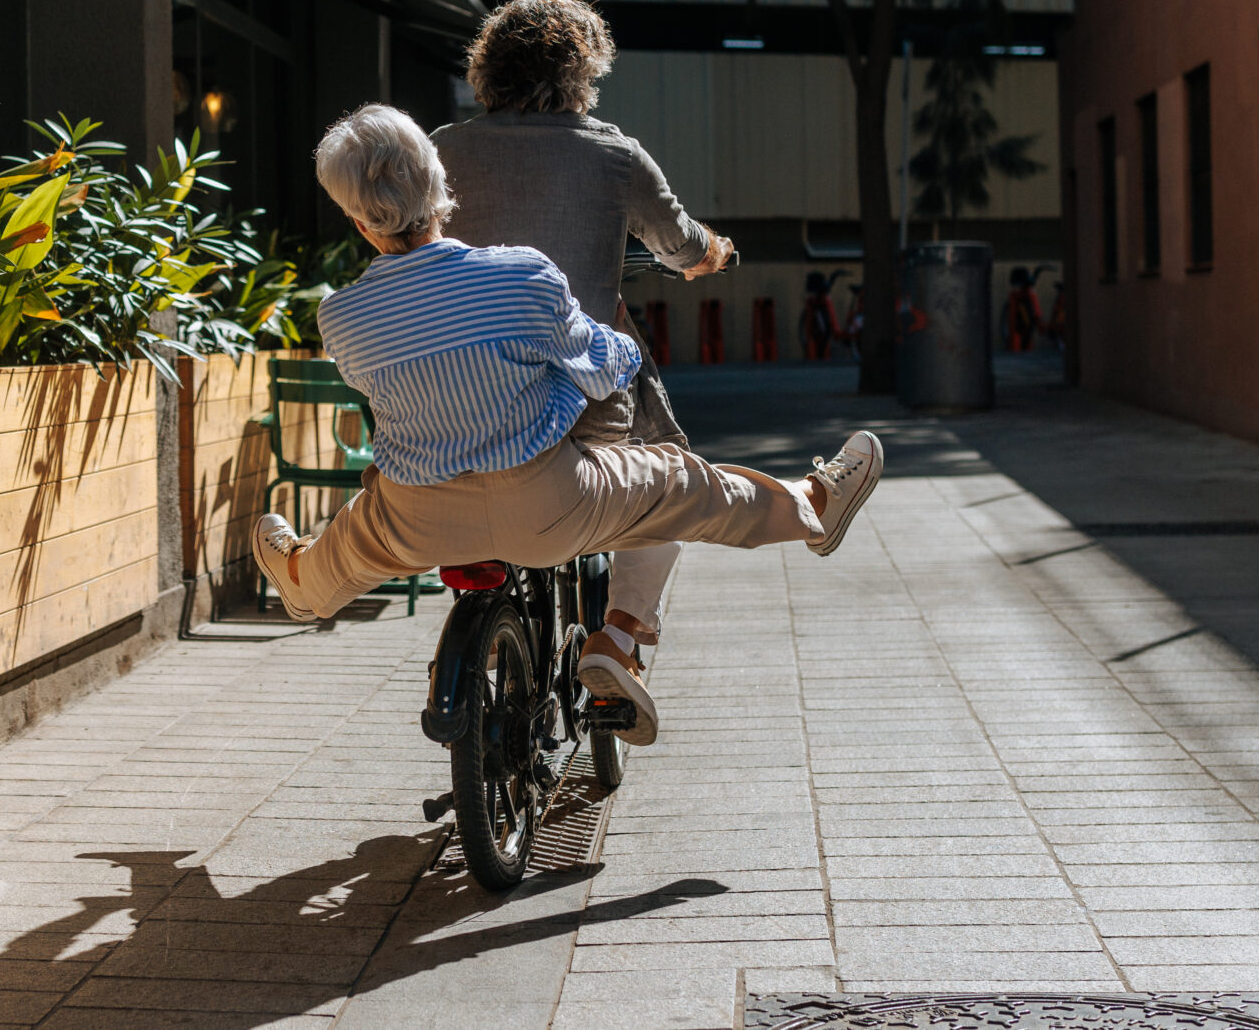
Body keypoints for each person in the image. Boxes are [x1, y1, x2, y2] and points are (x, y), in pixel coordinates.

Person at [255, 105, 883, 746]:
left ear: (357, 220)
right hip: (547, 504)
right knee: (680, 482)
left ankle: (304, 581)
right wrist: (624, 346)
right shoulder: (519, 274)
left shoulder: (343, 317)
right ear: (439, 182)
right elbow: (600, 363)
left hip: (417, 517)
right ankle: (814, 507)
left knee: (353, 540)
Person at [431, 0, 734, 686]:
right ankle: (619, 636)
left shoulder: (441, 150)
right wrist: (715, 251)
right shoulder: (614, 154)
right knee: (669, 473)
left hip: (461, 401)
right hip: (583, 404)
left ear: (487, 69)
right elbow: (682, 244)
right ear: (583, 73)